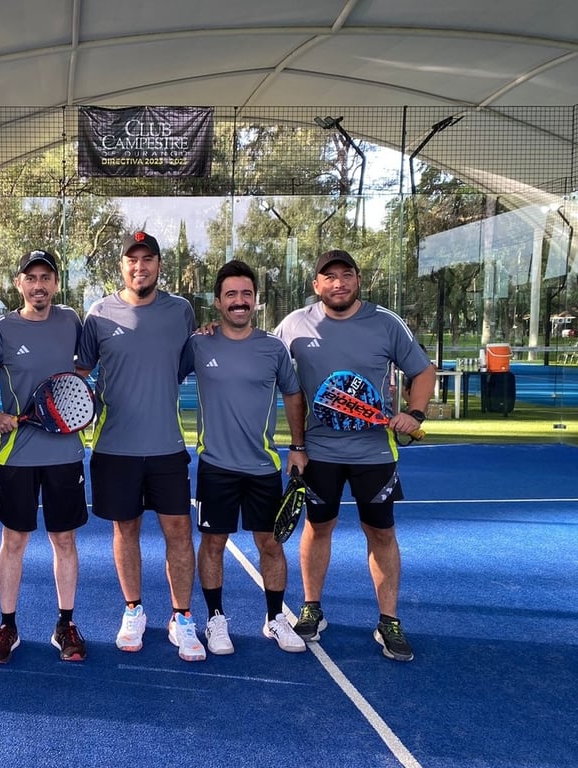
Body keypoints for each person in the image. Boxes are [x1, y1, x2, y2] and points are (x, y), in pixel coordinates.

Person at [274, 249, 435, 662]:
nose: (338, 283)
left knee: (381, 533)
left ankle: (388, 621)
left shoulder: (385, 322)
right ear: (316, 285)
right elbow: (263, 359)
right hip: (319, 451)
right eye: (330, 277)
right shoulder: (294, 325)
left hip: (375, 453)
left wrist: (414, 413)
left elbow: (423, 370)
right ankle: (312, 608)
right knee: (318, 526)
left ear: (358, 280)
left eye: (346, 275)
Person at [76, 231, 206, 662]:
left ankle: (182, 617)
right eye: (132, 260)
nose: (140, 267)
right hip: (114, 447)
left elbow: (189, 361)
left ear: (158, 266)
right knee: (124, 530)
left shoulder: (181, 311)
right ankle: (133, 610)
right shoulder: (98, 314)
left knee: (179, 532)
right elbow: (79, 371)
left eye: (148, 259)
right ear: (121, 266)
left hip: (168, 446)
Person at [179, 260, 308, 655]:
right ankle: (216, 621)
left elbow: (292, 395)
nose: (239, 301)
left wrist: (298, 448)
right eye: (231, 295)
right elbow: (160, 374)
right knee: (213, 543)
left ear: (255, 300)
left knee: (270, 544)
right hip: (216, 466)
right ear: (218, 302)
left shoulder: (273, 349)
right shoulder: (198, 344)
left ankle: (274, 620)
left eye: (246, 294)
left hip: (263, 467)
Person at [0, 250, 89, 663]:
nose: (38, 285)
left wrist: (68, 402)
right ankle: (7, 625)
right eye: (31, 277)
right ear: (18, 283)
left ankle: (66, 624)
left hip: (65, 452)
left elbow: (87, 363)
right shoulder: (2, 328)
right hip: (17, 454)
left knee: (64, 539)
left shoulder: (71, 321)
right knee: (14, 541)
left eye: (46, 277)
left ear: (56, 283)